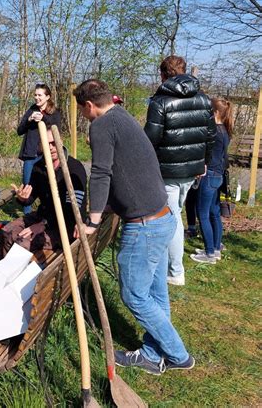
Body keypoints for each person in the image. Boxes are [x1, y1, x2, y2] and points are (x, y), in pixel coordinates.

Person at [73, 79, 194, 375]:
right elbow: (123, 169)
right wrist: (115, 204)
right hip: (163, 216)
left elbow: (101, 172)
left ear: (89, 105)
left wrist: (94, 219)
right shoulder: (123, 116)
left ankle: (178, 355)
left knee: (134, 295)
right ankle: (153, 355)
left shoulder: (101, 125)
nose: (84, 117)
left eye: (82, 111)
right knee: (155, 293)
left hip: (145, 227)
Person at [144, 55, 216, 286]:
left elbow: (150, 139)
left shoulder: (160, 102)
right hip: (192, 170)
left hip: (168, 170)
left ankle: (175, 271)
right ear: (184, 72)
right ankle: (168, 264)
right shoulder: (204, 100)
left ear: (163, 75)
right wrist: (204, 162)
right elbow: (210, 136)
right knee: (176, 214)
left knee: (172, 220)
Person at [0, 127, 86, 258]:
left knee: (22, 243)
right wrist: (23, 198)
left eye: (53, 143)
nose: (50, 147)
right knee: (7, 232)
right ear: (40, 145)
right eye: (46, 144)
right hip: (42, 216)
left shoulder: (74, 169)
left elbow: (72, 211)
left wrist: (43, 225)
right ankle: (4, 272)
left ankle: (24, 275)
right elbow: (31, 197)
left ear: (61, 142)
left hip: (65, 225)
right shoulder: (39, 167)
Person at [191, 97, 233, 264]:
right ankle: (215, 248)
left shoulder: (213, 131)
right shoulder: (225, 130)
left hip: (209, 175)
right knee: (214, 213)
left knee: (202, 213)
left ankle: (209, 253)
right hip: (219, 175)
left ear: (214, 112)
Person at [17, 84, 61, 214]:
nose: (37, 97)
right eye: (35, 95)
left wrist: (44, 119)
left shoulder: (54, 112)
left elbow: (56, 130)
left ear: (47, 96)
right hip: (30, 155)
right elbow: (19, 130)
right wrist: (29, 120)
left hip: (47, 155)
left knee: (49, 186)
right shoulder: (31, 110)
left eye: (40, 95)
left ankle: (47, 214)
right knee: (27, 188)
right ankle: (27, 216)